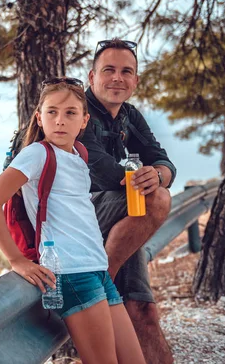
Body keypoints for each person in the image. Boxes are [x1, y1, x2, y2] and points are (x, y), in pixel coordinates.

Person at [0, 78, 146, 364]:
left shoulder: (79, 155)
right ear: (39, 117)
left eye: (70, 113)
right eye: (52, 112)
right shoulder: (35, 154)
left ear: (84, 120)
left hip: (98, 269)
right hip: (72, 274)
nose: (60, 120)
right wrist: (16, 260)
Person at [80, 38, 176, 364]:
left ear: (135, 81)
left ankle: (100, 288)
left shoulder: (129, 117)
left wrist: (158, 175)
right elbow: (103, 172)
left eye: (126, 71)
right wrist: (148, 181)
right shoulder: (77, 111)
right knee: (156, 200)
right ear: (92, 77)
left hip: (120, 218)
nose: (117, 78)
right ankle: (102, 282)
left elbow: (164, 162)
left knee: (143, 309)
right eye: (109, 70)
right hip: (78, 219)